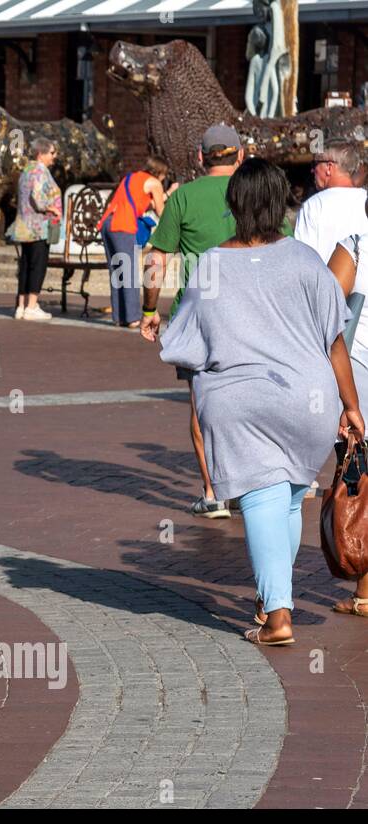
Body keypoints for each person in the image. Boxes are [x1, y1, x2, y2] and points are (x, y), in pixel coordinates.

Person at [159, 157, 363, 647]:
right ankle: (273, 595)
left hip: (241, 401)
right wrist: (350, 406)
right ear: (281, 205)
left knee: (264, 499)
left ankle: (277, 616)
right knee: (288, 496)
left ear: (235, 204)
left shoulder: (211, 263)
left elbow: (183, 342)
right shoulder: (304, 260)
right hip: (308, 400)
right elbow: (335, 341)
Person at [141, 123, 245, 520]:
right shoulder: (252, 191)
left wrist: (150, 311)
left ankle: (213, 492)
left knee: (202, 402)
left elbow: (156, 259)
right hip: (251, 310)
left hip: (199, 314)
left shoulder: (183, 196)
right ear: (239, 156)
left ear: (201, 158)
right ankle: (250, 483)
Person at [322, 192, 368, 619]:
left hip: (362, 371)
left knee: (364, 480)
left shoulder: (356, 244)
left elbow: (327, 313)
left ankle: (366, 593)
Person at [98, 155, 169, 328]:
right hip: (123, 225)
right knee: (128, 271)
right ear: (161, 172)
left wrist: (168, 194)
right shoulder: (155, 183)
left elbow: (140, 203)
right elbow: (160, 211)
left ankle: (119, 316)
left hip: (108, 223)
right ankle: (133, 317)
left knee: (117, 271)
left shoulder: (131, 177)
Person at [9, 137, 61, 321]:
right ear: (41, 153)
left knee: (25, 265)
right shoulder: (39, 171)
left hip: (24, 226)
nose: (54, 157)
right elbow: (38, 198)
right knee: (37, 266)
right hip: (39, 227)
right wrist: (52, 208)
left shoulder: (26, 170)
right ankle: (31, 306)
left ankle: (21, 306)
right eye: (52, 153)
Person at [294, 141, 368, 263]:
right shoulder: (365, 200)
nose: (312, 170)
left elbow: (303, 261)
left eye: (315, 164)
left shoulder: (313, 206)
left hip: (327, 281)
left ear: (329, 167)